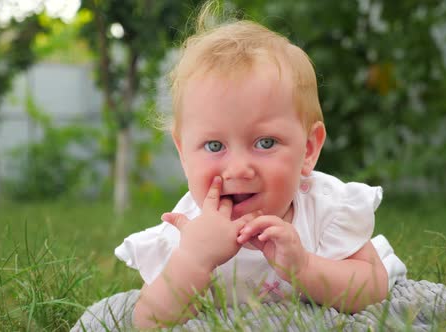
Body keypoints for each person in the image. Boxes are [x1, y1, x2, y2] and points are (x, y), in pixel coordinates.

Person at [114, 5, 407, 329]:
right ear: (184, 153)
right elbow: (149, 321)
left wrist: (305, 266)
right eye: (215, 146)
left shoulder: (325, 210)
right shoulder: (188, 233)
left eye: (265, 143)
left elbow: (374, 288)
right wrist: (193, 261)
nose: (238, 169)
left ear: (308, 149)